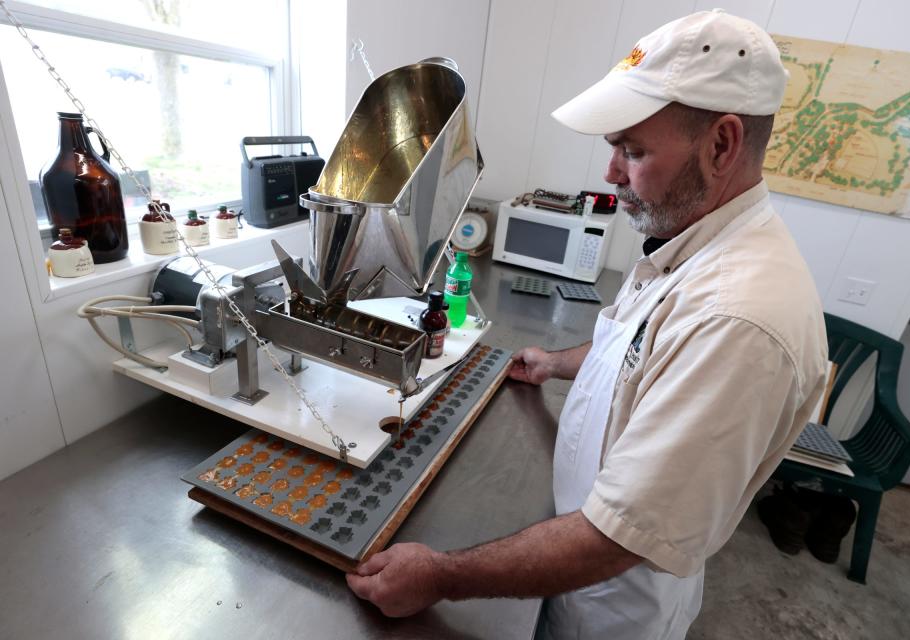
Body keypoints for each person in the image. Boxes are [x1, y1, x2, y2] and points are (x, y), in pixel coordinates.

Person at [347, 9, 828, 639]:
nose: (610, 174)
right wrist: (554, 364)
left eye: (633, 151)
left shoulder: (738, 320)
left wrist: (440, 576)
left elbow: (616, 538)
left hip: (610, 603)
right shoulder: (686, 241)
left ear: (721, 145)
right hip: (577, 567)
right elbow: (634, 348)